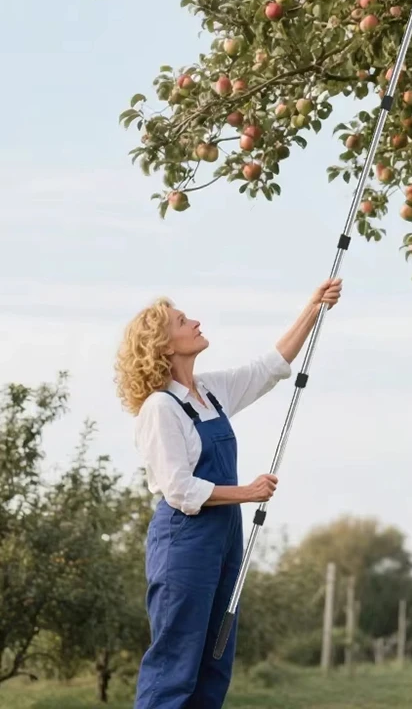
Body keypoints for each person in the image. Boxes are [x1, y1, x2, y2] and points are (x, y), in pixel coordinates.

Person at [115, 278, 343, 709]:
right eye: (183, 321)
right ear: (164, 346)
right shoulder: (160, 408)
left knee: (214, 660)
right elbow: (179, 489)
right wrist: (246, 492)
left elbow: (268, 368)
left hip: (223, 538)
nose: (196, 321)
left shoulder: (210, 393)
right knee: (175, 663)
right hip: (183, 540)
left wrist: (313, 307)